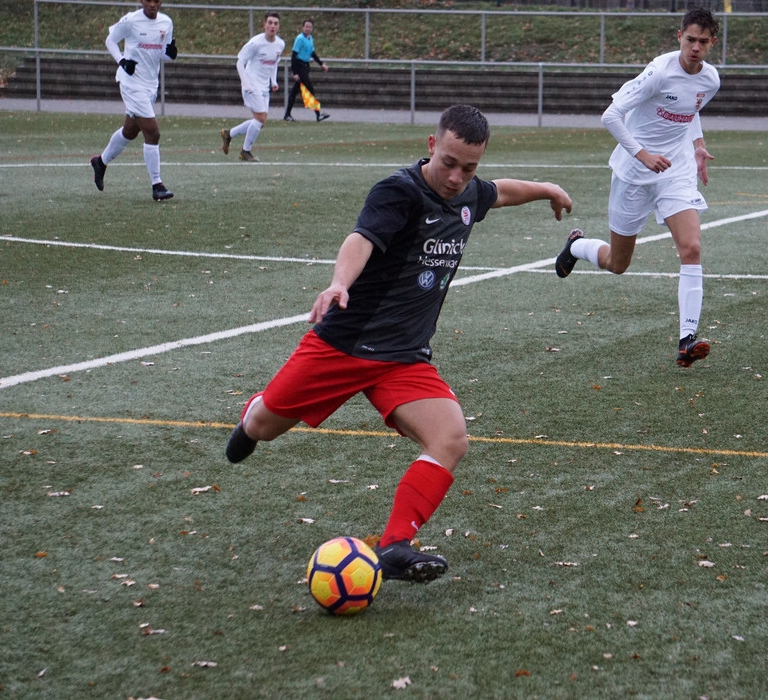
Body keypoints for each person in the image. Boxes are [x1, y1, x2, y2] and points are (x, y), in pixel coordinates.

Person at [224, 105, 572, 583]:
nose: (455, 177)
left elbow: (500, 192)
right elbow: (361, 239)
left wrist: (546, 190)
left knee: (450, 438)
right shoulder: (398, 192)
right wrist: (338, 283)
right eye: (448, 162)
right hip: (344, 345)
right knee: (265, 427)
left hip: (403, 359)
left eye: (468, 167)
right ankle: (252, 413)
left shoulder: (469, 191)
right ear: (432, 146)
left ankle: (394, 545)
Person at [553, 8, 720, 368]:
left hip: (674, 172)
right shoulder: (658, 72)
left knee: (691, 247)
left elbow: (691, 110)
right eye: (690, 40)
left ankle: (686, 340)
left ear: (712, 43)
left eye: (702, 42)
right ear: (679, 37)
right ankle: (577, 245)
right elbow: (610, 116)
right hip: (633, 172)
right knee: (618, 263)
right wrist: (643, 155)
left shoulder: (711, 80)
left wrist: (698, 146)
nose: (695, 48)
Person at [90, 0, 177, 201]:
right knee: (153, 132)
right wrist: (122, 61)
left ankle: (100, 162)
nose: (153, 4)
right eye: (149, 0)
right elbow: (110, 41)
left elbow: (163, 53)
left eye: (157, 1)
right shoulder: (130, 20)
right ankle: (157, 185)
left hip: (150, 85)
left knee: (130, 131)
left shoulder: (166, 22)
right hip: (131, 83)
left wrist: (170, 54)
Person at [220, 12, 284, 163]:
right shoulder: (255, 43)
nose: (272, 26)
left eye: (275, 23)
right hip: (251, 84)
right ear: (264, 25)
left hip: (264, 86)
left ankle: (229, 133)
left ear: (278, 26)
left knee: (260, 121)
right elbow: (240, 62)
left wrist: (273, 81)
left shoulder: (280, 44)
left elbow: (274, 63)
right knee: (260, 119)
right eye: (270, 23)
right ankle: (245, 152)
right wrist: (245, 83)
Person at [283, 19, 329, 123]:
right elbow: (294, 56)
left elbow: (312, 53)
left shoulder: (310, 39)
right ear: (302, 27)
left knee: (295, 92)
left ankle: (287, 115)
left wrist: (321, 64)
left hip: (305, 66)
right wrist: (294, 72)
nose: (308, 28)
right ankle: (318, 114)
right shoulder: (300, 39)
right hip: (299, 66)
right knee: (310, 89)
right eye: (306, 26)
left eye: (310, 27)